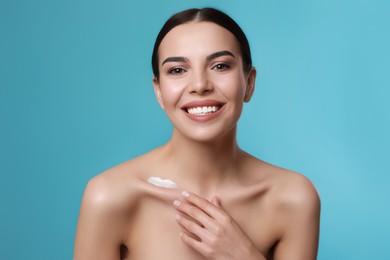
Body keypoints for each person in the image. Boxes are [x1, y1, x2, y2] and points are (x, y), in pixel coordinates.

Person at [74, 7, 320, 260]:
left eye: (220, 66)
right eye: (177, 70)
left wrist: (242, 254)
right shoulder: (110, 196)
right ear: (158, 91)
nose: (200, 85)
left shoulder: (292, 198)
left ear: (250, 83)